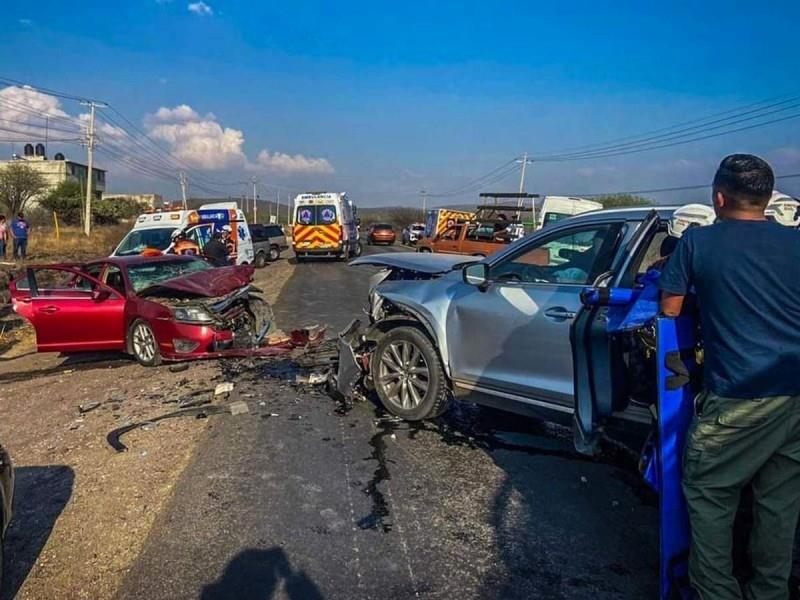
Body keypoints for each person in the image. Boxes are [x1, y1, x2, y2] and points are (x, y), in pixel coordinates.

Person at [659, 154, 800, 600]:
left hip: (739, 396)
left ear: (718, 197)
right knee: (779, 505)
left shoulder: (698, 243)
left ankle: (717, 593)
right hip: (795, 396)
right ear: (767, 199)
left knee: (710, 494)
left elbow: (669, 310)